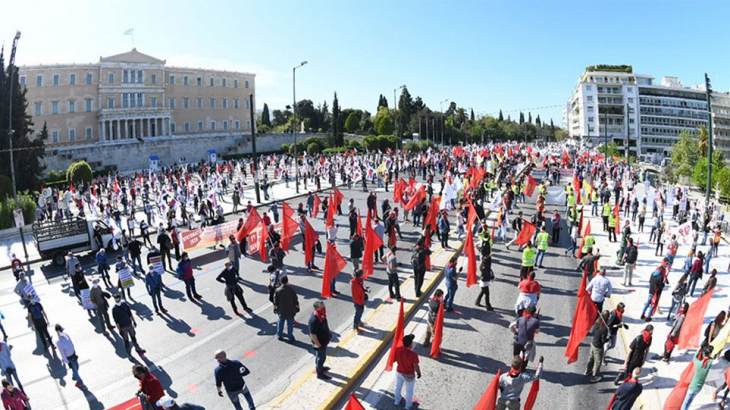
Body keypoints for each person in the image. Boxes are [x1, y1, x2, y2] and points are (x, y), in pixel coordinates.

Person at [681, 345, 715, 410]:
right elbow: (711, 358)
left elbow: (695, 357)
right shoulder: (710, 363)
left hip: (692, 386)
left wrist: (699, 349)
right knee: (690, 401)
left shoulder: (698, 363)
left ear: (703, 353)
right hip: (699, 388)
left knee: (685, 402)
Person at [393, 334, 421, 410]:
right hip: (409, 375)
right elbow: (416, 366)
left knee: (397, 387)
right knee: (409, 392)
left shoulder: (398, 349)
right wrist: (418, 373)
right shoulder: (413, 355)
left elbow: (394, 359)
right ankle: (408, 406)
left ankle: (396, 401)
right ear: (410, 344)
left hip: (399, 372)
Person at [308, 301, 332, 380]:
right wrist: (318, 344)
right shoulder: (314, 319)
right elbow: (312, 334)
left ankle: (320, 367)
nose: (324, 308)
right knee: (321, 358)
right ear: (317, 308)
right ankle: (320, 373)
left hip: (324, 340)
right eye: (322, 307)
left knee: (320, 357)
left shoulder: (321, 315)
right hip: (319, 342)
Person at [585, 310, 610, 382]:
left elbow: (593, 331)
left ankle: (588, 370)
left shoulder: (597, 322)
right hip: (598, 347)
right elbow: (603, 341)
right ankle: (594, 376)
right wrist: (608, 339)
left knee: (591, 358)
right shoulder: (604, 328)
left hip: (593, 343)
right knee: (598, 362)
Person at [273, 275, 299, 342]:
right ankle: (290, 337)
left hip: (281, 310)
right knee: (290, 324)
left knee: (280, 323)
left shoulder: (278, 290)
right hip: (290, 310)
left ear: (281, 281)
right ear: (287, 281)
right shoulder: (291, 290)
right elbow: (295, 300)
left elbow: (275, 302)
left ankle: (279, 335)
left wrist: (275, 309)